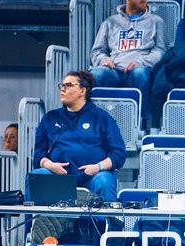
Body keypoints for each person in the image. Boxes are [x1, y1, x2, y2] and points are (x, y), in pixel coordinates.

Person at [33, 71, 127, 202]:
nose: (63, 89)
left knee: (104, 180)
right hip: (58, 176)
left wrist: (98, 167)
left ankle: (109, 216)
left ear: (82, 91)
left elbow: (118, 154)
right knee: (38, 175)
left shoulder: (102, 118)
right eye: (62, 86)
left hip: (93, 175)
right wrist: (49, 165)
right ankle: (34, 216)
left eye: (68, 85)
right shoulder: (50, 118)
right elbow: (38, 154)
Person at [89, 0, 166, 127]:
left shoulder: (156, 21)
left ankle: (143, 124)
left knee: (140, 73)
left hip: (140, 68)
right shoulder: (110, 22)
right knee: (97, 73)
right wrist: (104, 60)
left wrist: (140, 62)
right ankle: (97, 122)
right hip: (114, 71)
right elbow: (97, 50)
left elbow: (160, 51)